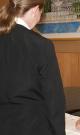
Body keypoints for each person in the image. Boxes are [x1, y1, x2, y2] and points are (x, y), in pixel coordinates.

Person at [0, 0, 65, 135]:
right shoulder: (41, 45)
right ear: (35, 9)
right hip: (32, 126)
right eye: (41, 12)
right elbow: (54, 100)